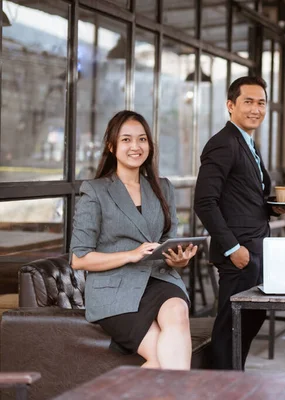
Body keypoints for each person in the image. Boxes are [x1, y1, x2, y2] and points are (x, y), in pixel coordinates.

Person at [70, 110, 198, 370]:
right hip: (114, 290)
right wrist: (130, 254)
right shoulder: (95, 191)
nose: (135, 146)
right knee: (163, 361)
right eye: (126, 140)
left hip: (159, 279)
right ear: (111, 145)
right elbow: (79, 259)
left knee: (177, 311)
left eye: (142, 139)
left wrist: (178, 260)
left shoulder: (163, 187)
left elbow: (166, 241)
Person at [194, 76, 285, 370]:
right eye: (248, 101)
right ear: (230, 105)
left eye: (261, 103)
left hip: (257, 250)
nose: (255, 109)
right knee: (230, 329)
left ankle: (232, 382)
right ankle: (220, 387)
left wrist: (274, 208)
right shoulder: (223, 144)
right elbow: (204, 202)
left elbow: (244, 196)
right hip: (238, 255)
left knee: (248, 323)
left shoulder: (247, 142)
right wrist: (233, 249)